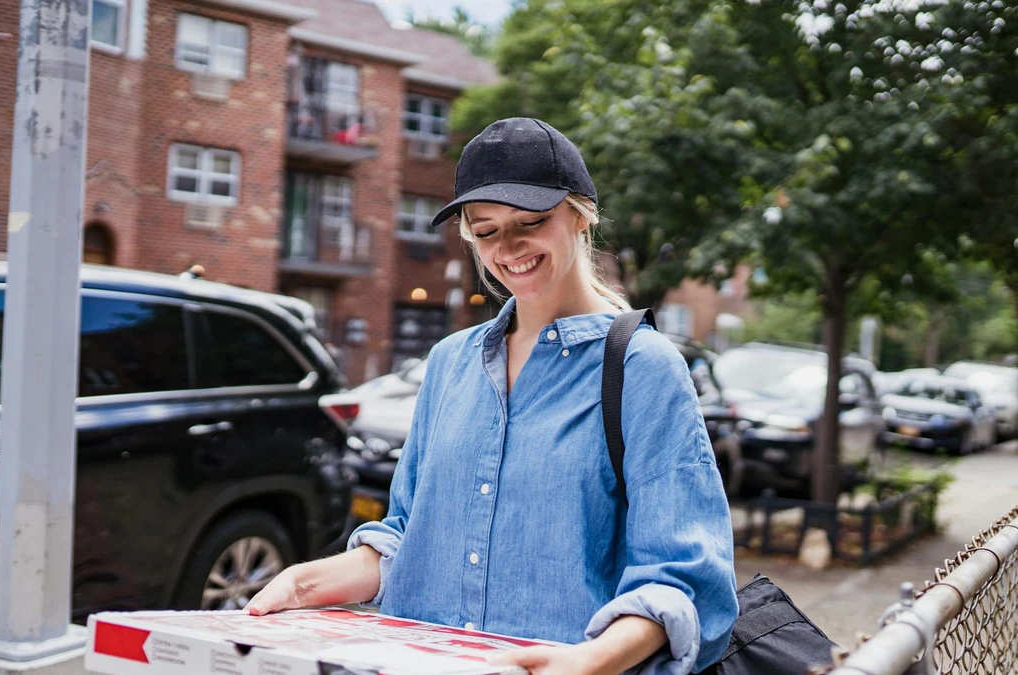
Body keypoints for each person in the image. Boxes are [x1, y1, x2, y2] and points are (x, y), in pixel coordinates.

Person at [248, 118, 739, 675]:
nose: (509, 248)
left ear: (580, 215)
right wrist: (302, 581)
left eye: (531, 221)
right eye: (485, 231)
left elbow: (682, 577)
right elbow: (407, 537)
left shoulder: (642, 367)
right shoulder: (449, 363)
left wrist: (591, 661)